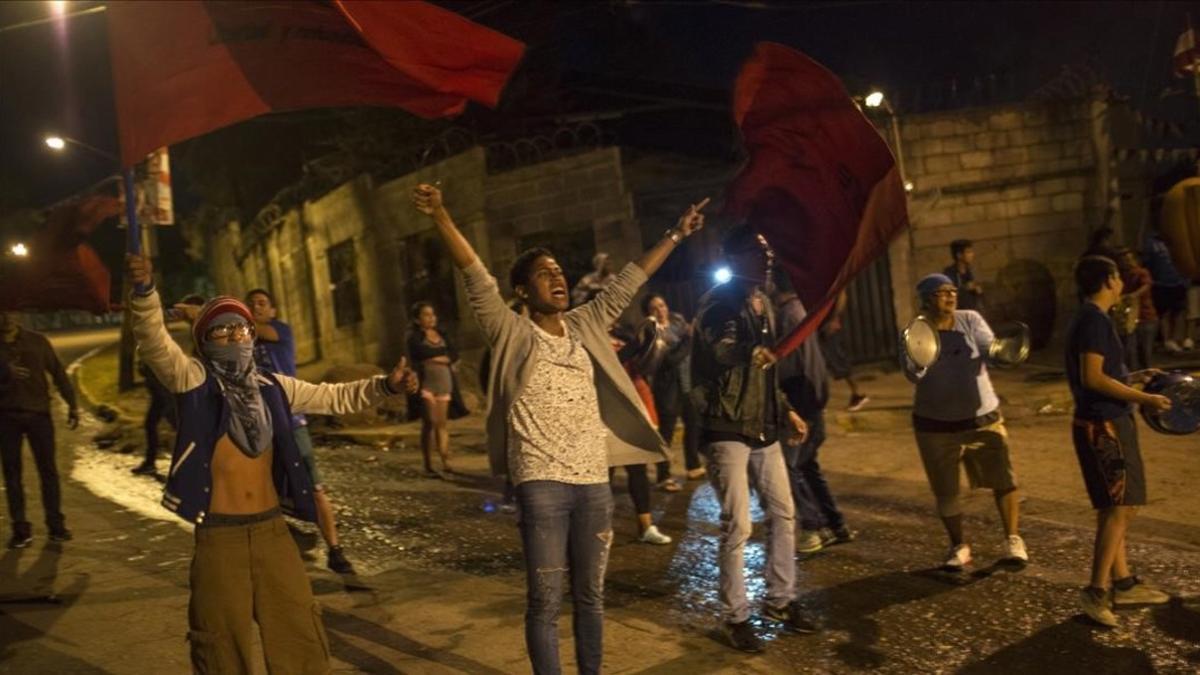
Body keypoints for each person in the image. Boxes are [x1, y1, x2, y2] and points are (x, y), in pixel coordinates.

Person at [412, 183, 700, 675]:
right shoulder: (509, 328)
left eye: (560, 272)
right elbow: (474, 273)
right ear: (523, 290)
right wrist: (440, 214)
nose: (557, 278)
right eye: (544, 274)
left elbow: (629, 280)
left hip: (594, 482)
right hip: (540, 482)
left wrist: (677, 233)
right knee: (545, 599)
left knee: (591, 598)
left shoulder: (587, 322)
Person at [126, 254, 416, 674]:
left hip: (273, 532)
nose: (233, 335)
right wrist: (144, 292)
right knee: (222, 646)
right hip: (219, 539)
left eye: (240, 327)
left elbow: (332, 396)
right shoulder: (194, 381)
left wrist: (385, 386)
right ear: (204, 338)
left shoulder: (272, 387)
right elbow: (153, 339)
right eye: (221, 329)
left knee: (299, 636)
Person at [691, 224, 816, 653]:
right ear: (736, 256)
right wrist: (748, 351)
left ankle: (781, 601)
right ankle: (736, 616)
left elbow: (765, 373)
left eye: (767, 250)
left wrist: (787, 410)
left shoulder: (764, 304)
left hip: (762, 424)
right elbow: (720, 348)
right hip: (724, 424)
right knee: (738, 524)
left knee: (784, 513)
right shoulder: (718, 302)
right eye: (757, 251)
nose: (766, 258)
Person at [1066, 256, 1174, 627]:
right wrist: (1143, 399)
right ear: (1110, 280)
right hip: (1104, 424)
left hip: (1107, 420)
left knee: (1121, 506)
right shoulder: (1094, 320)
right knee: (1117, 508)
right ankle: (1096, 591)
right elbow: (1093, 378)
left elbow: (1105, 373)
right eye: (1117, 275)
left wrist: (1136, 377)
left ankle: (1124, 583)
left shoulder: (1091, 318)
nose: (1121, 281)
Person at [902, 274, 1028, 571]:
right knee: (946, 491)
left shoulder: (969, 320)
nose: (950, 296)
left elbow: (989, 348)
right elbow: (912, 374)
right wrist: (922, 356)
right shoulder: (915, 332)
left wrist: (1005, 353)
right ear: (926, 300)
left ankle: (1013, 539)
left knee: (1004, 479)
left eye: (952, 291)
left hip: (981, 419)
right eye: (941, 292)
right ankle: (959, 545)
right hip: (935, 425)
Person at [245, 288, 356, 575]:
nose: (256, 308)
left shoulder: (280, 331)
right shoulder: (242, 341)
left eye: (261, 304)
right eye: (251, 304)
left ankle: (335, 549)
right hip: (260, 427)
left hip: (292, 422)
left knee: (315, 486)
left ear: (273, 311)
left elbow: (259, 331)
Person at [772, 278, 856, 554]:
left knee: (790, 466)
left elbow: (789, 362)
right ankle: (835, 524)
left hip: (800, 397)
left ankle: (812, 527)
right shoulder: (802, 311)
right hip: (813, 394)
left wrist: (787, 404)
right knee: (808, 464)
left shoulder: (788, 315)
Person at [0, 311, 79, 548]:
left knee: (49, 472)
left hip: (39, 415)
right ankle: (21, 529)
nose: (6, 318)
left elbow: (58, 373)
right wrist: (5, 373)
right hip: (6, 417)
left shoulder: (37, 341)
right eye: (2, 313)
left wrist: (72, 405)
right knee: (12, 475)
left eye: (11, 313)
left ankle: (56, 526)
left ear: (19, 316)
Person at [609, 322, 672, 545]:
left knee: (638, 468)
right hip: (607, 409)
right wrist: (636, 343)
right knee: (605, 472)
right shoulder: (587, 335)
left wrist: (650, 343)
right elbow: (608, 364)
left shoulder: (623, 334)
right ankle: (600, 528)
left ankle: (645, 526)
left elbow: (645, 367)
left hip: (635, 404)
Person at [133, 293, 206, 476]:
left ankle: (193, 467)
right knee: (153, 424)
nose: (182, 314)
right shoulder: (191, 331)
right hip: (161, 388)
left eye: (187, 309)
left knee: (183, 428)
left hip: (173, 390)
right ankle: (153, 462)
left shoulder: (207, 330)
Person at [642, 293, 703, 482]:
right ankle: (664, 474)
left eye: (662, 305)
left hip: (687, 383)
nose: (661, 310)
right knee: (666, 433)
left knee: (693, 426)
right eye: (655, 308)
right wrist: (688, 339)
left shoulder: (677, 323)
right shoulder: (652, 332)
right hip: (667, 388)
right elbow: (669, 360)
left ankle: (693, 465)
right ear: (648, 313)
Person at [406, 301, 467, 478]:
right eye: (426, 315)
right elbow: (419, 354)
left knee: (442, 424)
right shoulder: (415, 337)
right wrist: (440, 358)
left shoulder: (442, 334)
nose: (431, 318)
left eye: (432, 314)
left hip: (444, 383)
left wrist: (437, 359)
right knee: (429, 423)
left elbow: (453, 355)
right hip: (426, 384)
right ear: (418, 319)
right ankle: (428, 463)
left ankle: (446, 460)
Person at [818, 290, 869, 411]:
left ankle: (857, 394)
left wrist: (834, 319)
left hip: (828, 325)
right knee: (825, 361)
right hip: (821, 323)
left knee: (837, 359)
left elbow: (841, 294)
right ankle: (821, 399)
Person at [1143, 229, 1189, 353]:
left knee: (1179, 312)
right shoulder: (1151, 242)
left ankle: (1177, 339)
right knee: (1164, 313)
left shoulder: (1181, 239)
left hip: (1179, 281)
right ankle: (1167, 340)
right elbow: (1147, 262)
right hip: (1161, 283)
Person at [1114, 249, 1156, 371]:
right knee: (1129, 351)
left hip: (1145, 316)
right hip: (1128, 319)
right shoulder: (1120, 276)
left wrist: (1133, 295)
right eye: (1123, 260)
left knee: (1145, 352)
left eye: (1129, 259)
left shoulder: (1141, 273)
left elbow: (1146, 285)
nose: (1127, 262)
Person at [944, 238, 984, 311]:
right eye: (968, 252)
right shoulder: (950, 273)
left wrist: (978, 291)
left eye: (971, 252)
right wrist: (965, 288)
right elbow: (948, 294)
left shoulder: (969, 271)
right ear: (959, 255)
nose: (972, 255)